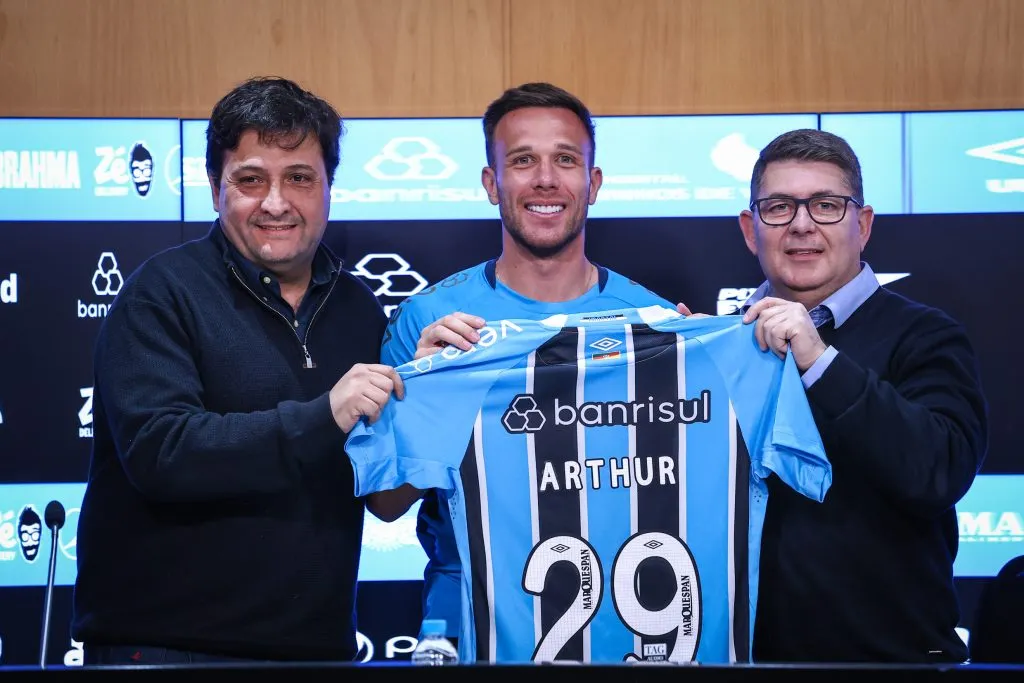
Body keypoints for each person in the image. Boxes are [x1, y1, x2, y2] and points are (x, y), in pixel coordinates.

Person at [71, 76, 408, 665]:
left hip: (316, 650)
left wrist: (433, 383)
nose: (276, 202)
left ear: (328, 186)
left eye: (299, 178)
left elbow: (382, 495)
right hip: (168, 650)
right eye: (251, 179)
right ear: (214, 188)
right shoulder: (161, 293)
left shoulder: (358, 308)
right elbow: (161, 452)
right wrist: (323, 415)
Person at [378, 82, 680, 641]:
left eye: (565, 160)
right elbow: (386, 503)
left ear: (592, 185)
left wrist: (694, 358)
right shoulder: (426, 320)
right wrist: (427, 394)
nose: (545, 179)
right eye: (523, 161)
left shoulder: (656, 321)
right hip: (470, 627)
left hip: (626, 621)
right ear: (492, 184)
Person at [737, 128, 988, 663]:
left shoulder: (926, 335)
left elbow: (937, 471)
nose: (801, 224)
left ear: (864, 224)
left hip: (890, 664)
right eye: (778, 206)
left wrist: (817, 359)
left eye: (826, 205)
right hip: (743, 663)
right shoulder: (722, 344)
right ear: (749, 228)